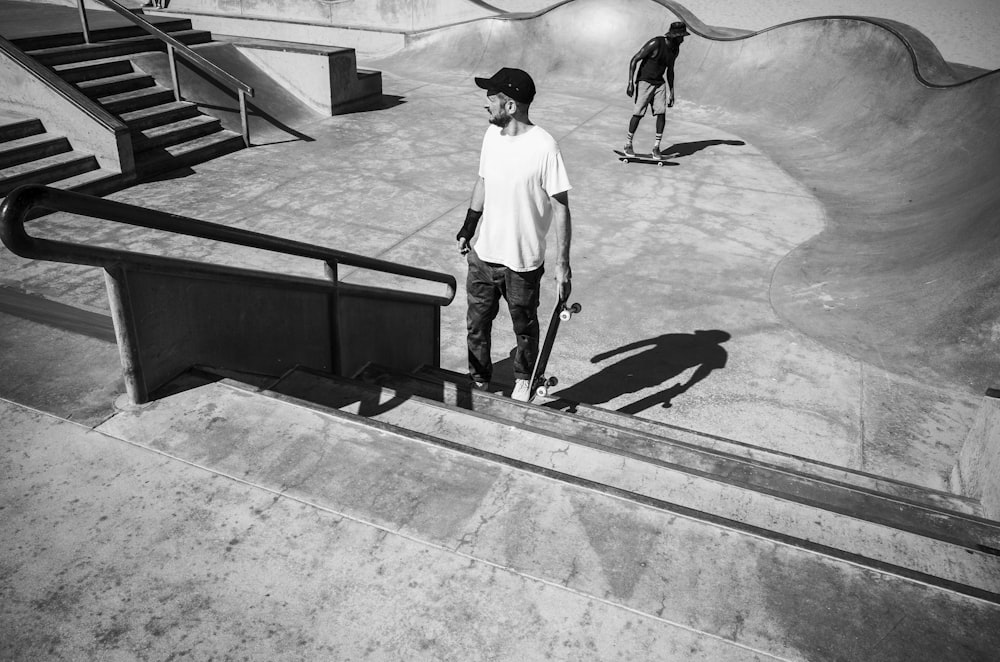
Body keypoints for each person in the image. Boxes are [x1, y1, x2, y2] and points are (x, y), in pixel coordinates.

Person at [456, 67, 572, 402]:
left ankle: (524, 379)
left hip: (522, 261)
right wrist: (469, 225)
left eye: (491, 101)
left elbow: (561, 206)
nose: (486, 107)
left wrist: (562, 264)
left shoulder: (545, 147)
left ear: (510, 106)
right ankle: (479, 381)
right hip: (483, 255)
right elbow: (482, 182)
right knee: (476, 325)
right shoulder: (491, 136)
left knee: (524, 327)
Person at [624, 21, 690, 159]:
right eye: (681, 37)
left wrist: (671, 91)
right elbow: (634, 59)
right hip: (644, 81)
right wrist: (630, 82)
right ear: (674, 36)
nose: (683, 40)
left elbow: (670, 71)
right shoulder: (656, 43)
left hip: (659, 83)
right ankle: (628, 144)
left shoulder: (675, 50)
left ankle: (656, 148)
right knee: (638, 113)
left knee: (661, 113)